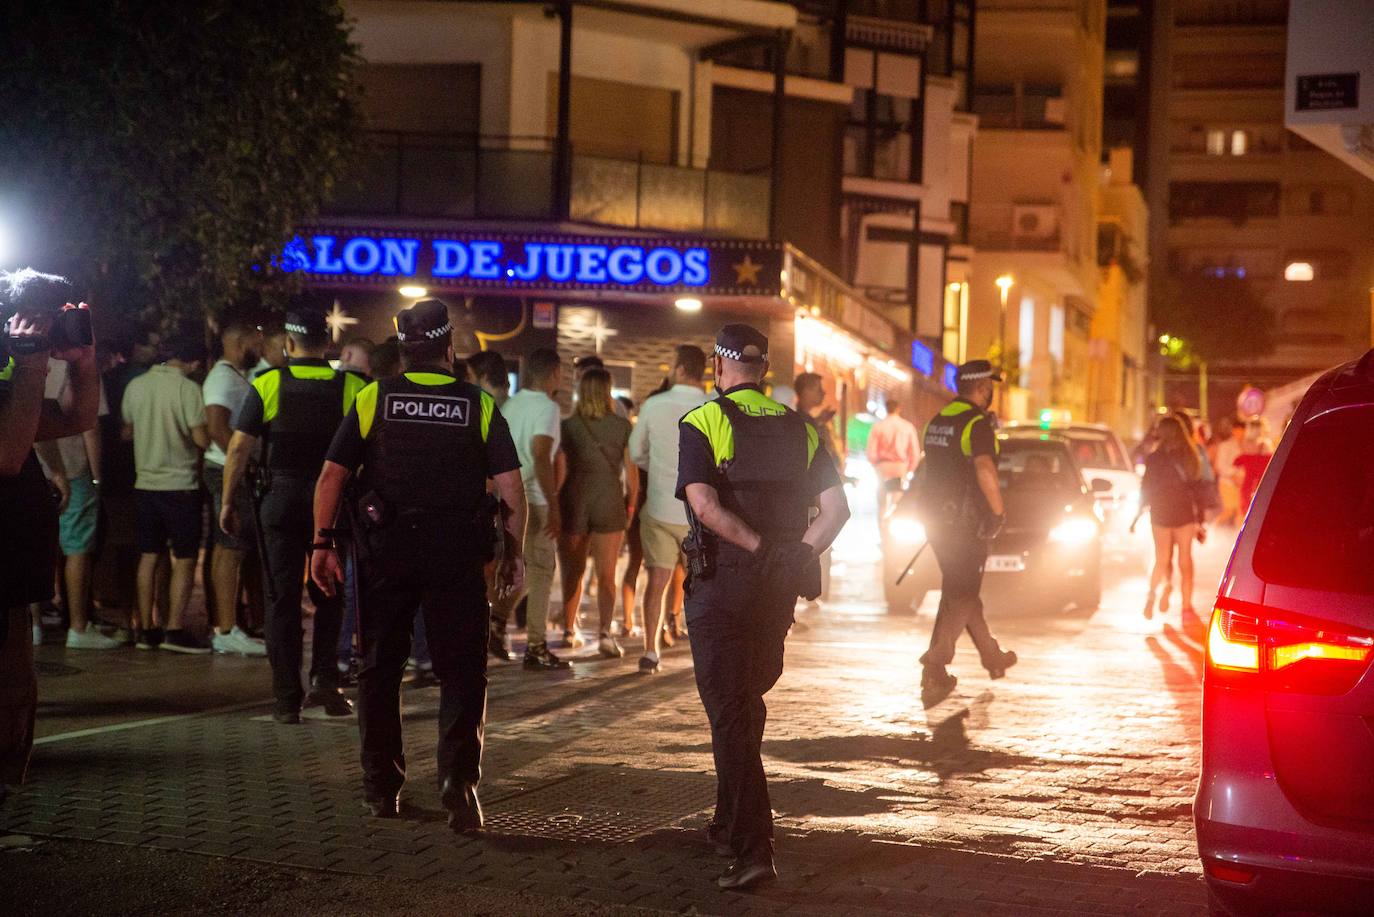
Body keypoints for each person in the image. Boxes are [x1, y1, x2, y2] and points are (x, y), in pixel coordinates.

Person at [309, 299, 526, 829]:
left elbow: (332, 477)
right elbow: (512, 489)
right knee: (462, 669)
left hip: (385, 553)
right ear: (449, 349)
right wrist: (512, 556)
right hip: (456, 554)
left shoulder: (373, 398)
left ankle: (382, 789)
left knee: (380, 669)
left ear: (404, 350)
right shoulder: (478, 405)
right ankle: (458, 782)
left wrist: (321, 546)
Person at [676, 324, 850, 889]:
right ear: (764, 369)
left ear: (719, 366)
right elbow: (836, 511)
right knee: (744, 704)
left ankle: (755, 849)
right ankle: (728, 825)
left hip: (723, 587)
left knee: (729, 713)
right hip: (775, 593)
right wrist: (794, 556)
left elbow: (702, 503)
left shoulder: (704, 420)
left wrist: (758, 548)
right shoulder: (802, 427)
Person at [221, 306, 367, 722]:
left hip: (279, 499)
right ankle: (327, 682)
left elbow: (238, 448)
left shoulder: (268, 383)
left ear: (288, 343)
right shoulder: (352, 386)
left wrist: (228, 501)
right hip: (332, 506)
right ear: (329, 344)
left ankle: (286, 699)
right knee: (331, 594)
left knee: (281, 599)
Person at [1, 270, 100, 794]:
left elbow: (77, 415)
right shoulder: (16, 373)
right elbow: (9, 456)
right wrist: (33, 360)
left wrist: (83, 364)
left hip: (12, 571)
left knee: (16, 688)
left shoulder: (10, 377)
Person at [916, 360, 1018, 701]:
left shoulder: (938, 421)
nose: (992, 392)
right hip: (965, 523)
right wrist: (999, 512)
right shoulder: (976, 423)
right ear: (982, 388)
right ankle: (934, 662)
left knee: (960, 590)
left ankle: (991, 654)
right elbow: (986, 470)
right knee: (963, 593)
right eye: (991, 386)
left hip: (935, 520)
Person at [121, 335, 211, 653]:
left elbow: (127, 430)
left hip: (145, 484)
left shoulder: (137, 386)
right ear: (193, 362)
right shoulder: (188, 390)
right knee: (184, 558)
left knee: (148, 555)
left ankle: (146, 629)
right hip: (181, 485)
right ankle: (174, 628)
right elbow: (201, 439)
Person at [627, 345, 708, 673]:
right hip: (699, 512)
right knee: (701, 584)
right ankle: (704, 654)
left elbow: (635, 452)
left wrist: (658, 466)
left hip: (660, 504)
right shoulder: (711, 406)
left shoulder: (654, 405)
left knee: (657, 581)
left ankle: (650, 650)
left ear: (678, 368)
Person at [493, 348, 569, 670]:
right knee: (542, 572)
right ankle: (536, 646)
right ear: (552, 373)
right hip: (534, 497)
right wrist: (553, 505)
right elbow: (541, 454)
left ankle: (496, 620)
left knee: (518, 566)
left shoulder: (513, 404)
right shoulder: (548, 408)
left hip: (507, 495)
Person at [35, 356, 119, 649]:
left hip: (33, 470)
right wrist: (97, 478)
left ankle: (34, 626)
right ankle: (78, 626)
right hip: (74, 468)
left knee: (37, 546)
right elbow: (91, 426)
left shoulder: (27, 364)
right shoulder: (81, 369)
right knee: (78, 549)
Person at [557, 367, 637, 659]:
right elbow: (631, 475)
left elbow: (560, 471)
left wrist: (554, 504)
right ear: (607, 392)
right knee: (607, 575)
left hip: (574, 499)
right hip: (609, 500)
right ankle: (605, 633)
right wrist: (630, 507)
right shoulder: (622, 425)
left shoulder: (568, 427)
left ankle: (568, 630)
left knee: (572, 571)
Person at [201, 320, 267, 657]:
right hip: (225, 471)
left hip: (229, 470)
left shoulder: (235, 376)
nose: (261, 348)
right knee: (230, 549)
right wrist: (241, 464)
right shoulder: (223, 378)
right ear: (240, 343)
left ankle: (226, 627)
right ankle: (226, 629)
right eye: (256, 342)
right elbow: (216, 427)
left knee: (230, 549)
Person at [1132, 414, 1206, 619]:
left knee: (1161, 559)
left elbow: (1145, 488)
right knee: (1185, 560)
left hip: (1160, 513)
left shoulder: (1154, 458)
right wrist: (1200, 519)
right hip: (1184, 513)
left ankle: (1152, 594)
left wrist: (1137, 516)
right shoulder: (1190, 456)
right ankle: (1186, 605)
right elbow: (1197, 489)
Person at [866, 397, 921, 519]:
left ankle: (883, 530)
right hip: (900, 467)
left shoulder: (878, 427)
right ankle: (893, 527)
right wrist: (910, 469)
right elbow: (914, 452)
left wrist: (875, 464)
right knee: (897, 501)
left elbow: (871, 450)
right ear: (898, 409)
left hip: (882, 466)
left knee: (882, 501)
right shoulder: (907, 427)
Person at [1211, 418, 1245, 527]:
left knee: (1241, 511)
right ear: (1233, 430)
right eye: (1238, 430)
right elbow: (1220, 465)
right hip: (1227, 483)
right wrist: (1234, 475)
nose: (1241, 433)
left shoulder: (1247, 445)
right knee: (1230, 510)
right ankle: (1212, 529)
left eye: (1242, 430)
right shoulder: (1225, 446)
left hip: (1243, 484)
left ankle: (1238, 536)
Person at [1233, 421, 1272, 513]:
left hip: (1248, 482)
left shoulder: (1244, 444)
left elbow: (1236, 463)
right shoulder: (1265, 444)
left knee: (1247, 510)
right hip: (1262, 481)